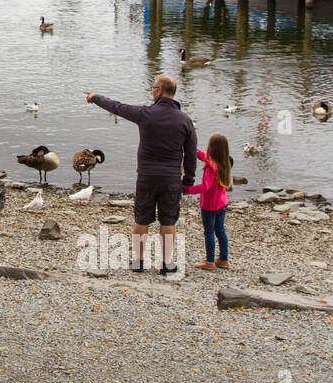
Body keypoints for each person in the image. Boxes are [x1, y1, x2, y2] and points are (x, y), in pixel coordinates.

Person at [85, 75, 197, 274]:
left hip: (146, 176)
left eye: (153, 88)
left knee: (142, 219)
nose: (152, 91)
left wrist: (95, 97)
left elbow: (117, 107)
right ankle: (167, 263)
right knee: (168, 220)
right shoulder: (185, 120)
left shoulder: (146, 113)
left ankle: (138, 260)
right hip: (171, 178)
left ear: (160, 91)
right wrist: (188, 180)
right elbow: (190, 154)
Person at [185, 133, 231, 270]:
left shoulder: (211, 168)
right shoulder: (224, 163)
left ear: (211, 148)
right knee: (220, 231)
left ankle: (209, 261)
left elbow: (205, 187)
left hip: (209, 206)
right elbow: (202, 155)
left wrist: (188, 189)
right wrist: (191, 148)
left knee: (209, 232)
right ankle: (224, 259)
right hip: (222, 204)